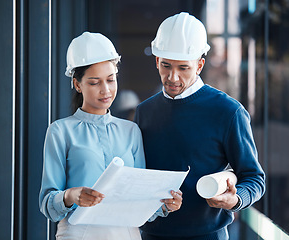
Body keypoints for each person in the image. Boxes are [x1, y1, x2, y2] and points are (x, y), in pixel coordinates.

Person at [134, 12, 266, 240]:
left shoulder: (228, 111)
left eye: (183, 68)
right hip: (151, 235)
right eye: (166, 66)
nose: (172, 77)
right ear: (157, 61)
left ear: (199, 65)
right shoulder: (144, 111)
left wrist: (235, 200)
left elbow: (254, 178)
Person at [39, 32, 182, 240]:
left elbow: (140, 199)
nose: (105, 90)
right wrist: (71, 196)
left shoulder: (131, 131)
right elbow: (47, 204)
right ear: (78, 84)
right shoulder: (60, 131)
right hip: (78, 234)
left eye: (110, 80)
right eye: (94, 83)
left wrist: (165, 204)